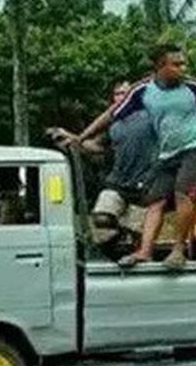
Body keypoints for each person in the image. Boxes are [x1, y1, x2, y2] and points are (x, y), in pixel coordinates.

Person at [74, 44, 196, 269]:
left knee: (182, 193)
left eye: (183, 63)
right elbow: (111, 115)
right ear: (160, 67)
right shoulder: (142, 91)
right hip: (168, 154)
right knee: (155, 201)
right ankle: (144, 252)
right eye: (177, 64)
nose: (183, 68)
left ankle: (178, 251)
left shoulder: (195, 87)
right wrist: (81, 138)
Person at [47, 79, 158, 244]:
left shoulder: (151, 115)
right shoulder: (113, 124)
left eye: (126, 92)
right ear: (113, 98)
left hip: (146, 185)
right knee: (100, 219)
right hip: (118, 182)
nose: (122, 96)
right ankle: (120, 234)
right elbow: (96, 146)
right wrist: (69, 137)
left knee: (138, 236)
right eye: (118, 93)